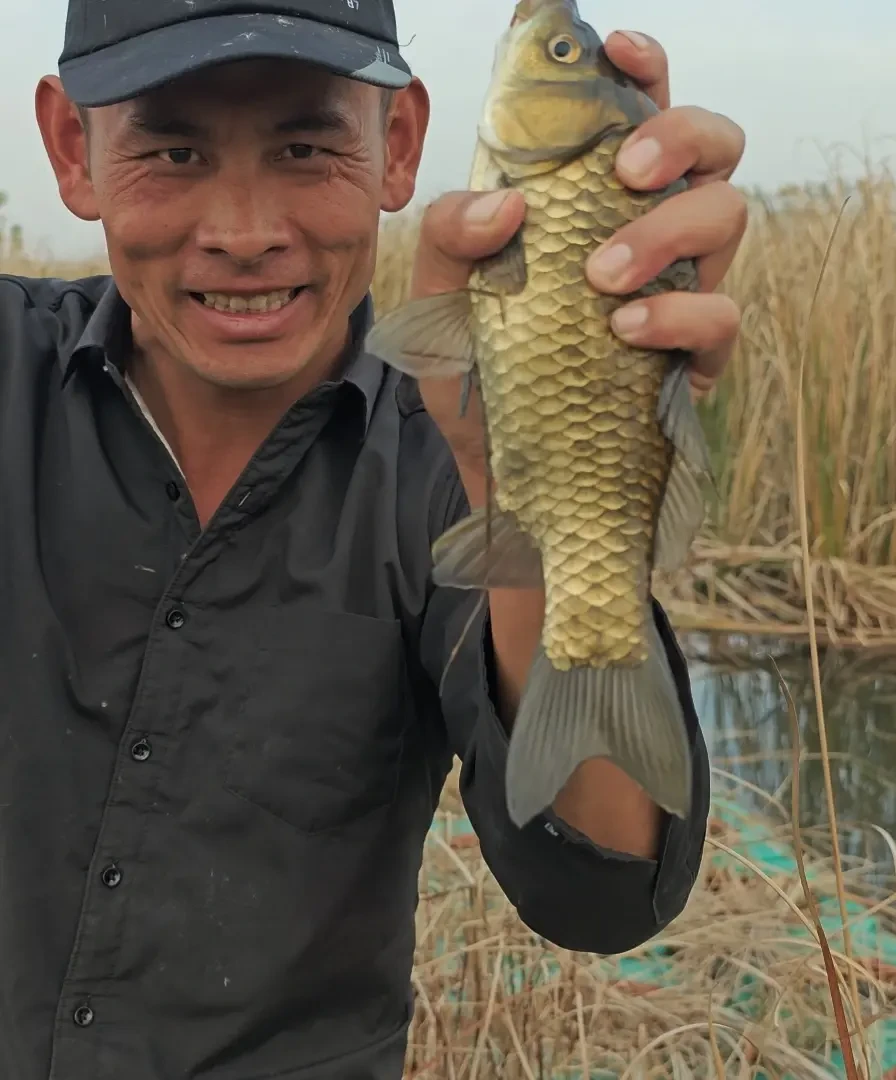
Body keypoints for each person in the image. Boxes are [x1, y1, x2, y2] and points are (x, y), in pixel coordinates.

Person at [0, 0, 747, 1076]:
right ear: (74, 149)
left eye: (307, 146)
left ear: (398, 147)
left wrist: (533, 492)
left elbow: (601, 888)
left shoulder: (440, 461)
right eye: (173, 149)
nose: (246, 232)